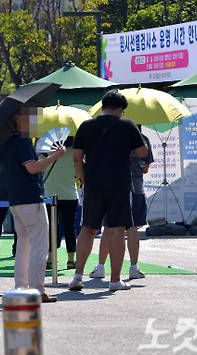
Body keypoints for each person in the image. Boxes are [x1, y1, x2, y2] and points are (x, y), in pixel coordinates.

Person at [69, 90, 148, 292]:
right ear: (121, 109)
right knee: (116, 230)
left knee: (88, 229)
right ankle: (114, 280)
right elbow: (142, 152)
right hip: (119, 185)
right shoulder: (127, 125)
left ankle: (77, 276)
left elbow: (77, 158)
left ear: (103, 106)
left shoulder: (86, 126)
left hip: (94, 184)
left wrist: (82, 180)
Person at [0, 108, 65, 303]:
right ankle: (37, 290)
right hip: (30, 199)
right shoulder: (23, 142)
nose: (34, 119)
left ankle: (21, 287)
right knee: (39, 247)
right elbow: (32, 168)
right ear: (18, 118)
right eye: (29, 116)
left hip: (15, 200)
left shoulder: (8, 142)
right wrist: (54, 156)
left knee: (23, 246)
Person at [91, 129, 154, 280]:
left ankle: (100, 267)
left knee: (108, 228)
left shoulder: (109, 135)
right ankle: (134, 267)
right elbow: (145, 168)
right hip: (137, 188)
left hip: (113, 189)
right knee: (132, 228)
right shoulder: (143, 139)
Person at [43, 136, 78, 270]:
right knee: (70, 228)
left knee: (51, 227)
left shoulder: (48, 152)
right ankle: (71, 260)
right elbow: (78, 173)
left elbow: (41, 171)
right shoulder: (76, 153)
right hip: (70, 195)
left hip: (50, 195)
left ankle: (51, 259)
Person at [0, 152, 17, 257]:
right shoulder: (22, 146)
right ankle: (17, 249)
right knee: (18, 221)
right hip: (15, 188)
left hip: (0, 188)